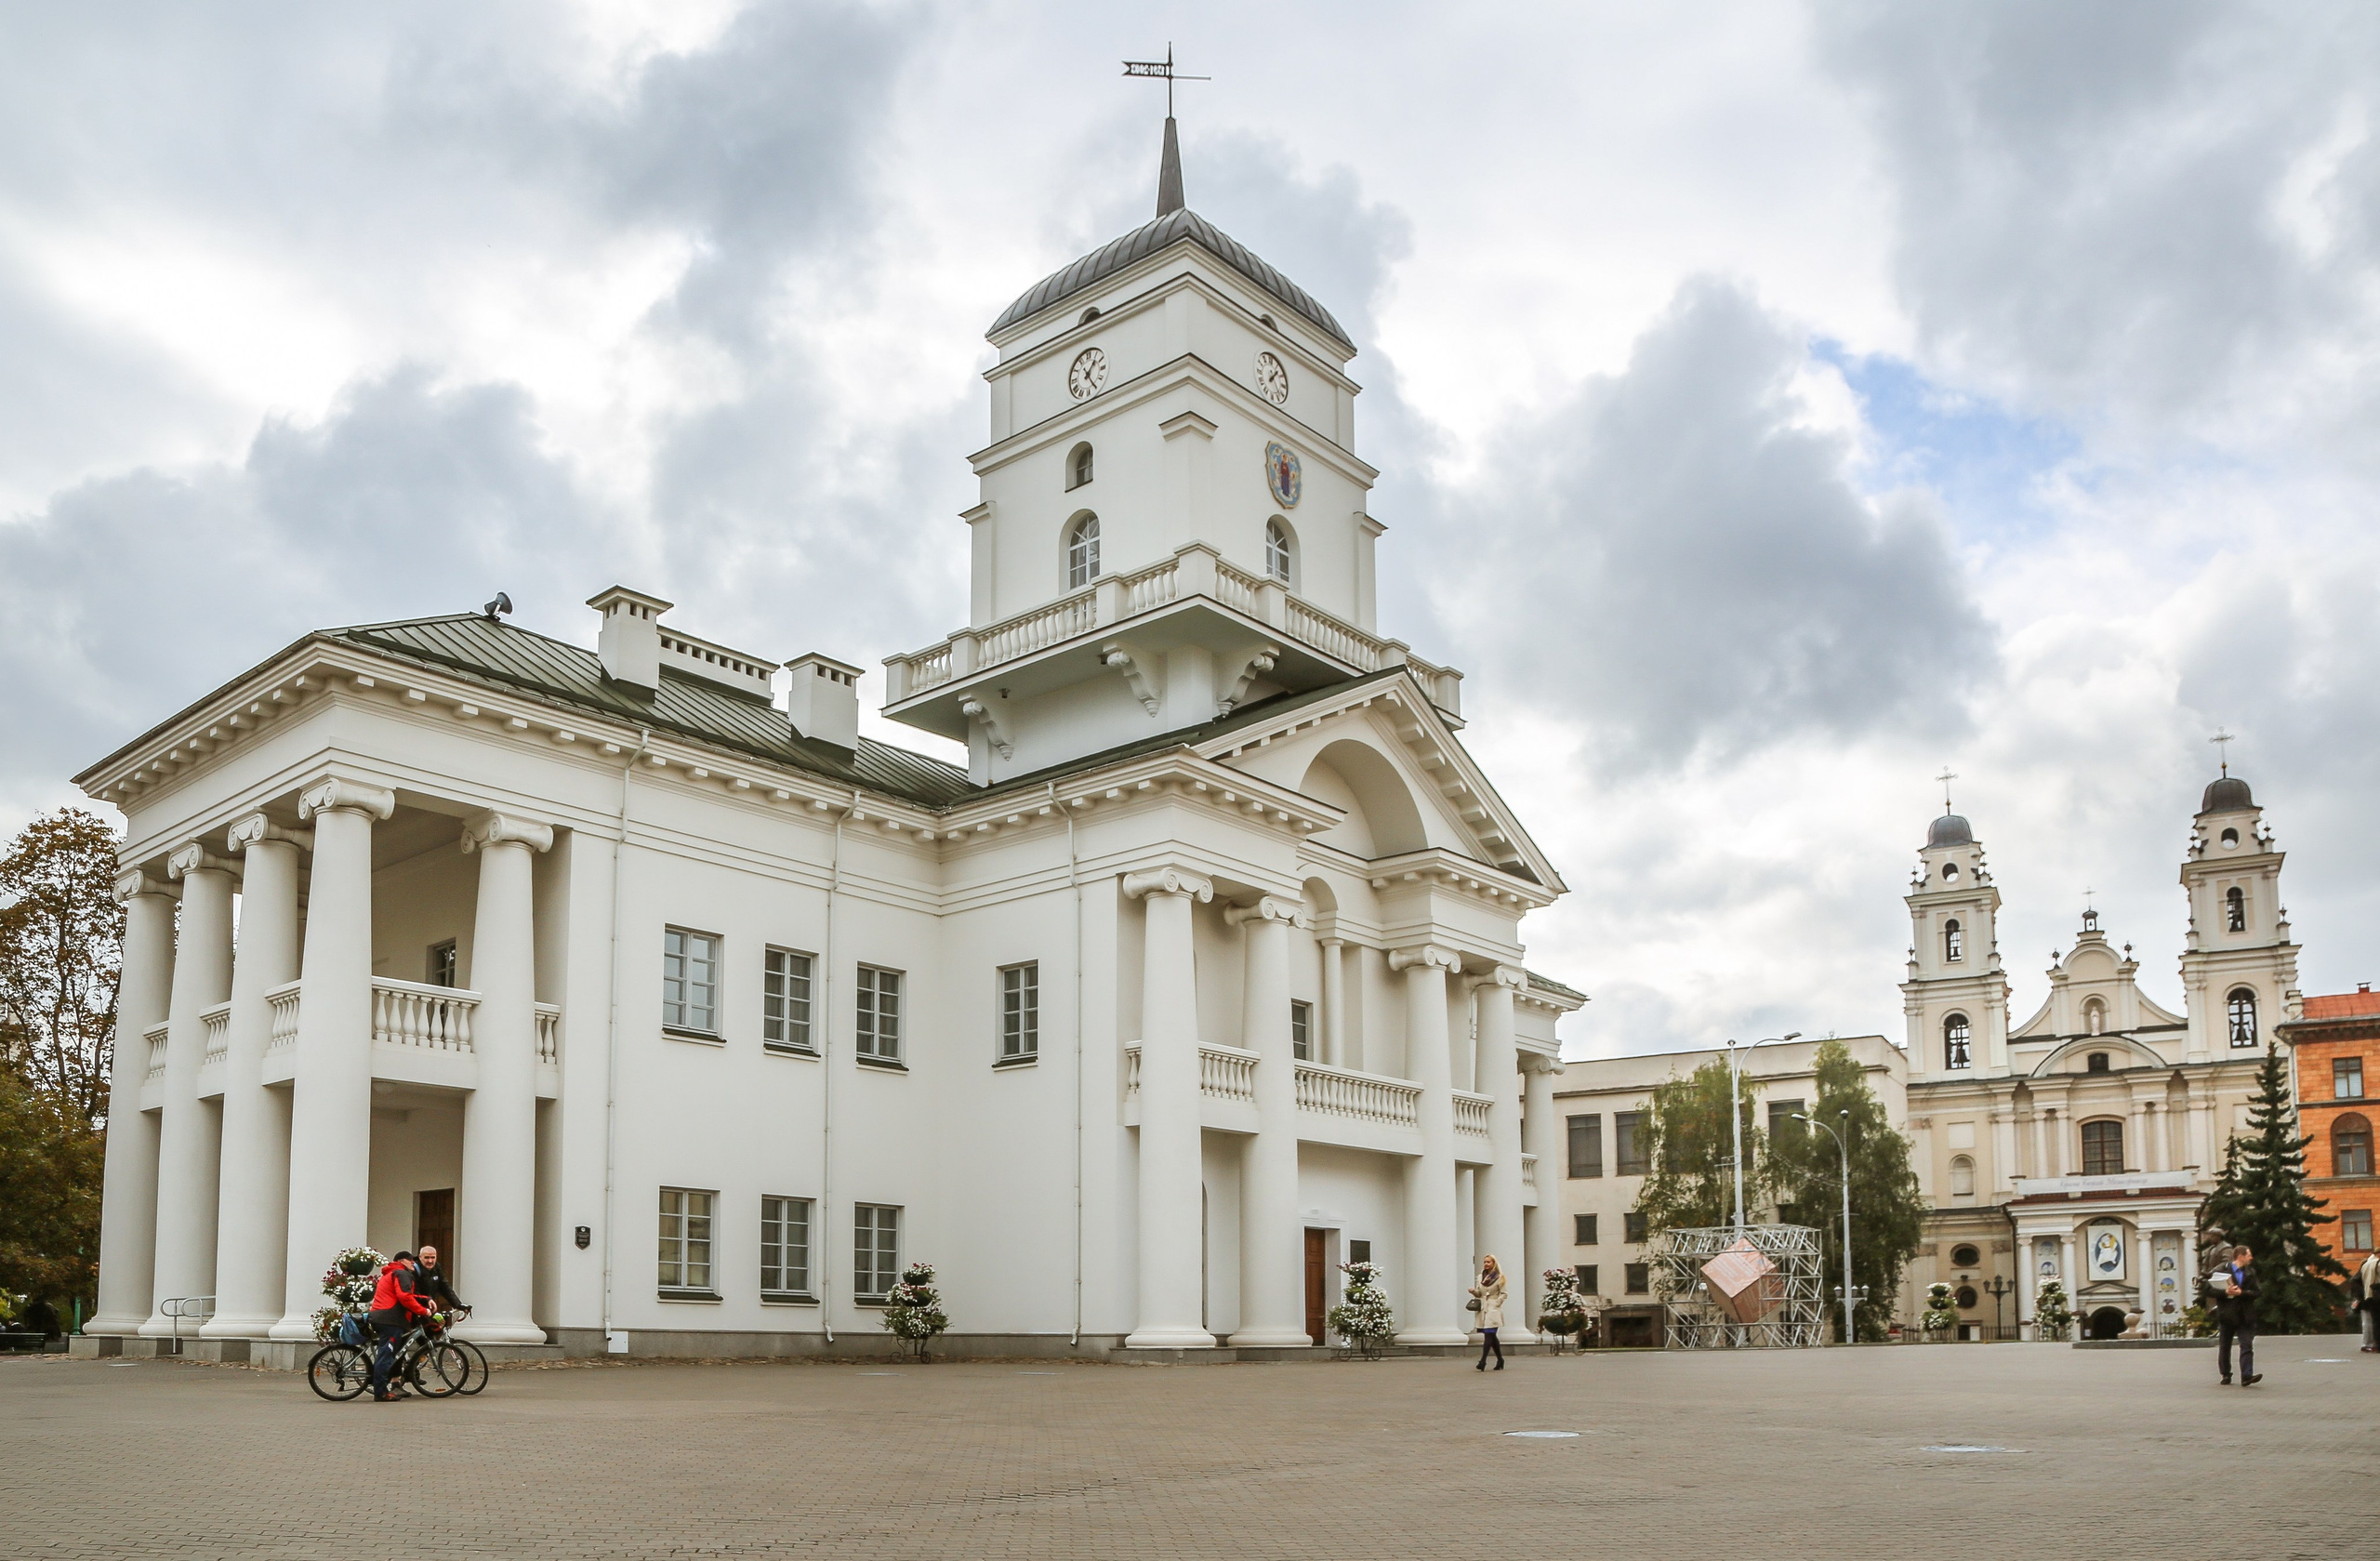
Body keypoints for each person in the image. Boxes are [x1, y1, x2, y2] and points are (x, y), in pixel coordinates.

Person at [368, 1250, 433, 1402]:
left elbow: (405, 1295)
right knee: (385, 1355)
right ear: (402, 1261)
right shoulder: (401, 1273)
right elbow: (405, 1297)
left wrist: (425, 1300)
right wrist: (423, 1311)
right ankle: (381, 1392)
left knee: (387, 1354)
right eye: (411, 1260)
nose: (413, 1263)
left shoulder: (391, 1273)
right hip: (390, 1319)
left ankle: (382, 1385)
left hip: (383, 1317)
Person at [2204, 1243, 2261, 1387]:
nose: (2251, 1258)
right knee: (2225, 1346)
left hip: (2245, 1315)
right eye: (2249, 1255)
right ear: (2241, 1256)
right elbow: (2208, 1290)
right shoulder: (2222, 1270)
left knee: (2246, 1344)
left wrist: (2242, 1293)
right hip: (2227, 1314)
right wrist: (2225, 1292)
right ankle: (2226, 1374)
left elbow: (2257, 1292)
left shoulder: (2250, 1272)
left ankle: (2247, 1376)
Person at [1470, 1255, 1508, 1371]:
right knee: (1491, 1336)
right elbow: (1479, 1293)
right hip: (1483, 1308)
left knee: (1488, 1334)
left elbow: (1504, 1293)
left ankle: (1483, 1361)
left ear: (1494, 1263)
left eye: (1488, 1262)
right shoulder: (1481, 1277)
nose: (1486, 1264)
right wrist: (1473, 1292)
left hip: (1493, 1308)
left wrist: (1497, 1303)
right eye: (1485, 1262)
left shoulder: (1500, 1277)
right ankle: (1500, 1359)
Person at [416, 1245, 469, 1318]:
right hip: (417, 1310)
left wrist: (458, 1304)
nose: (430, 1261)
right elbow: (414, 1292)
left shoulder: (436, 1267)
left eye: (433, 1257)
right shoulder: (414, 1270)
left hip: (430, 1308)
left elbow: (445, 1286)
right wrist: (426, 1301)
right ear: (420, 1257)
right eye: (426, 1257)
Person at [2356, 1248, 2380, 1354]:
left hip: (2368, 1295)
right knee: (2373, 1321)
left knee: (2374, 1321)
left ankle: (2374, 1344)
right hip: (2377, 1294)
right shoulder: (2377, 1264)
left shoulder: (2365, 1265)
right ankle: (2373, 1344)